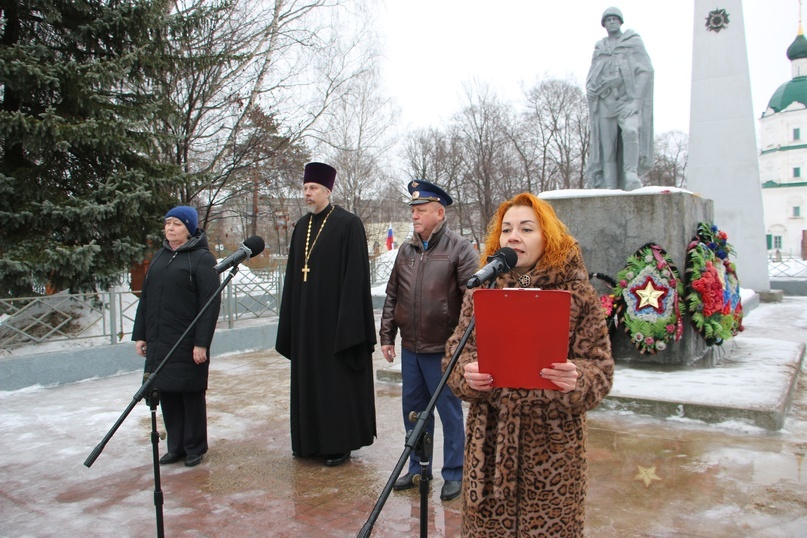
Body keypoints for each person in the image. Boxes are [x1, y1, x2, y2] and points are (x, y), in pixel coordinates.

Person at [443, 193, 614, 536]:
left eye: (525, 228)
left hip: (552, 452)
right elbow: (455, 355)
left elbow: (601, 367)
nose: (513, 236)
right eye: (506, 229)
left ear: (547, 236)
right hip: (489, 448)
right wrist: (466, 374)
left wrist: (577, 379)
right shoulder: (483, 289)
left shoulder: (578, 293)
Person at [380, 179, 479, 501]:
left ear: (440, 213)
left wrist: (462, 346)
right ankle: (418, 467)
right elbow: (392, 295)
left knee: (450, 413)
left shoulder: (459, 249)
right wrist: (386, 336)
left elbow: (473, 301)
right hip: (411, 349)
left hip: (444, 350)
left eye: (421, 210)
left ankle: (454, 473)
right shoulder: (406, 251)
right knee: (414, 412)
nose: (415, 215)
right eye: (413, 210)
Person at [275, 162, 377, 467]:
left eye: (313, 188)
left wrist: (348, 326)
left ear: (328, 191)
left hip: (335, 325)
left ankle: (337, 443)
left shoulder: (348, 224)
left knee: (334, 385)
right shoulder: (300, 228)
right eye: (305, 188)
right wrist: (292, 323)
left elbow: (355, 278)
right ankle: (309, 441)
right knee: (309, 382)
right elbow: (294, 276)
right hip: (307, 323)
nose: (307, 194)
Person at [132, 205, 221, 467]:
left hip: (188, 340)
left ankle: (194, 447)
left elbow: (210, 304)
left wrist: (201, 343)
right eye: (168, 223)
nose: (170, 228)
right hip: (161, 338)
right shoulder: (159, 257)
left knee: (190, 393)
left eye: (177, 224)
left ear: (189, 228)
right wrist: (141, 335)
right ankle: (176, 446)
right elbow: (145, 300)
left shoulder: (202, 259)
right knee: (167, 392)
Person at [585, 6, 654, 191]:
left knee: (630, 131)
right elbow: (592, 77)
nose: (612, 22)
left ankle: (631, 174)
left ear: (620, 21)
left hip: (627, 102)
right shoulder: (600, 48)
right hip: (606, 103)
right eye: (608, 20)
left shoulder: (633, 42)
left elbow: (646, 71)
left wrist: (637, 101)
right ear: (604, 24)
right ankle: (610, 185)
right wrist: (591, 90)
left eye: (615, 19)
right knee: (608, 148)